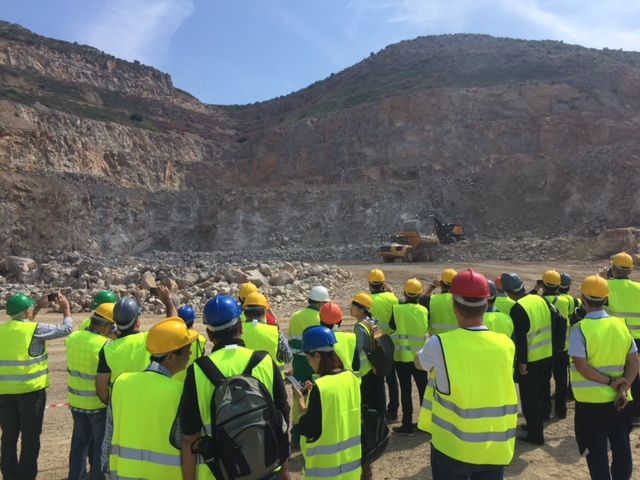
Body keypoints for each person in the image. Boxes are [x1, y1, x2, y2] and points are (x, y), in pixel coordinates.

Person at [415, 269, 518, 479]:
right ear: (487, 304)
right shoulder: (506, 344)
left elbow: (418, 363)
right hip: (494, 448)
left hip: (452, 448)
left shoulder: (438, 345)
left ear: (455, 306)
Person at [180, 295, 291, 480]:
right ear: (240, 326)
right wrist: (285, 469)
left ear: (209, 334)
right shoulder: (264, 361)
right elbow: (282, 418)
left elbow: (189, 437)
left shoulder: (198, 370)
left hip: (219, 472)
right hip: (268, 467)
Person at [103, 317, 198, 479]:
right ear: (170, 358)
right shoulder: (180, 393)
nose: (190, 353)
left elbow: (108, 440)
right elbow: (186, 444)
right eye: (187, 348)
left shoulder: (121, 383)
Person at [569, 275, 639, 480]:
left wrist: (611, 382)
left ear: (583, 298)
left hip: (590, 403)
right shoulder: (621, 325)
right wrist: (623, 388)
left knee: (597, 452)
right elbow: (634, 361)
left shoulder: (579, 329)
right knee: (622, 448)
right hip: (620, 400)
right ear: (606, 299)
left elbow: (582, 368)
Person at [0, 292, 74, 480]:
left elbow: (25, 323)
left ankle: (9, 475)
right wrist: (66, 309)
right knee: (30, 437)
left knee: (8, 436)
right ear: (28, 311)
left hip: (4, 394)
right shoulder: (36, 330)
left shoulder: (3, 330)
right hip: (31, 393)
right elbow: (66, 329)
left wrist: (38, 307)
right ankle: (26, 476)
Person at [293, 325, 362, 480]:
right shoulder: (351, 378)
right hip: (351, 467)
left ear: (317, 356)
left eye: (309, 358)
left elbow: (308, 428)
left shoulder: (321, 387)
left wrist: (301, 402)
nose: (309, 363)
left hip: (326, 471)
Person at [501, 272, 553, 445]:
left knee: (530, 398)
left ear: (508, 292)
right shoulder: (539, 299)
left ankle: (535, 434)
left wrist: (522, 362)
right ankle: (537, 423)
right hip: (546, 353)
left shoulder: (518, 308)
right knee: (541, 392)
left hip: (530, 360)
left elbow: (522, 339)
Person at [65, 302, 116, 480]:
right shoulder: (105, 345)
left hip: (76, 403)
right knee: (99, 449)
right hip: (97, 404)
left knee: (79, 446)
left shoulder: (73, 338)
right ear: (108, 326)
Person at [600, 252, 640, 424]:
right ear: (631, 270)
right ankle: (636, 413)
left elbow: (593, 303)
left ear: (613, 268)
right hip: (637, 338)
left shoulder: (606, 286)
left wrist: (601, 278)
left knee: (616, 374)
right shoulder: (639, 288)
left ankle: (618, 409)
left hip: (616, 338)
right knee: (635, 374)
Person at [288, 286, 329, 447]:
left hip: (298, 363)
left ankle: (296, 436)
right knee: (314, 398)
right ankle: (314, 433)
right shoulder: (320, 317)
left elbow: (291, 340)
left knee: (299, 396)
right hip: (315, 363)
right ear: (320, 303)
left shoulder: (296, 316)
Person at [389, 278, 429, 436]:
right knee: (423, 389)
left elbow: (392, 326)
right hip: (420, 357)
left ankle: (407, 425)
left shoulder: (397, 309)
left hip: (402, 357)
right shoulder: (424, 310)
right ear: (419, 294)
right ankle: (427, 423)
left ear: (405, 293)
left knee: (406, 391)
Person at [95, 297, 148, 405]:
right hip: (146, 402)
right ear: (137, 321)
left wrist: (112, 406)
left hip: (120, 405)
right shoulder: (148, 339)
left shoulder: (108, 349)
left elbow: (101, 389)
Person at [536, 270, 572, 420]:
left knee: (544, 382)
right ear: (559, 287)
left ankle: (545, 413)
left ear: (543, 285)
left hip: (544, 349)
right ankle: (561, 410)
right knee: (561, 379)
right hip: (563, 347)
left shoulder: (536, 302)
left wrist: (535, 289)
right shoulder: (569, 300)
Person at [368, 268, 400, 423]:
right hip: (391, 342)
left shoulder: (367, 300)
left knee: (378, 380)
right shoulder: (393, 298)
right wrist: (391, 293)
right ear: (383, 284)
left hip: (375, 344)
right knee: (392, 378)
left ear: (369, 285)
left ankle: (379, 412)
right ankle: (393, 411)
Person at [156, 285, 207, 382]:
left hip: (171, 380)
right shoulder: (201, 340)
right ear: (193, 321)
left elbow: (171, 323)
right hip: (190, 381)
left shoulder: (172, 338)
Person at [352, 292, 386, 418]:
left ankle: (370, 429)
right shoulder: (373, 322)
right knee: (378, 398)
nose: (351, 309)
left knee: (368, 401)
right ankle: (380, 422)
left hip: (366, 370)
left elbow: (357, 349)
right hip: (376, 366)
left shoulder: (360, 327)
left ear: (362, 310)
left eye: (353, 306)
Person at [241, 291, 293, 374]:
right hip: (273, 382)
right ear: (264, 312)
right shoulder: (275, 332)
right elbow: (288, 358)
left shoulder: (238, 333)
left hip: (246, 382)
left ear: (245, 312)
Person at [319, 301, 359, 372]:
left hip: (324, 381)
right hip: (347, 379)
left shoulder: (317, 339)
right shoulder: (351, 338)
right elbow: (356, 365)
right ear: (340, 321)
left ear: (321, 320)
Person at [419, 268, 458, 335]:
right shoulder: (460, 301)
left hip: (437, 342)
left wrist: (432, 286)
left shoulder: (431, 300)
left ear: (441, 283)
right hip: (456, 340)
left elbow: (419, 299)